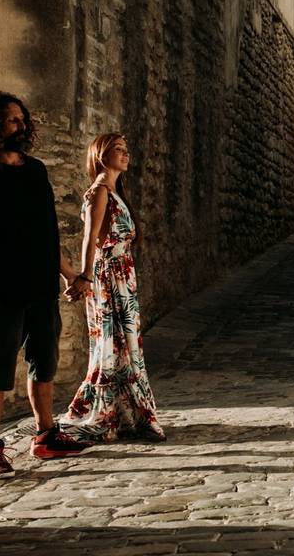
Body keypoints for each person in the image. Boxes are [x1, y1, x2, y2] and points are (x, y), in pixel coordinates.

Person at [0, 91, 93, 481]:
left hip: (41, 288)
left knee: (43, 363)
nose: (22, 126)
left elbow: (47, 235)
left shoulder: (35, 171)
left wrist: (69, 274)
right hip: (0, 291)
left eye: (22, 119)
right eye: (13, 120)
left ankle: (46, 434)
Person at [60, 133, 165, 442]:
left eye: (126, 149)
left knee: (125, 346)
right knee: (111, 346)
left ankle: (125, 415)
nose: (125, 154)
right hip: (108, 278)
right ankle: (102, 413)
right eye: (117, 150)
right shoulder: (100, 193)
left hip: (123, 277)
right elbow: (90, 238)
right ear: (100, 156)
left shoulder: (116, 193)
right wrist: (85, 277)